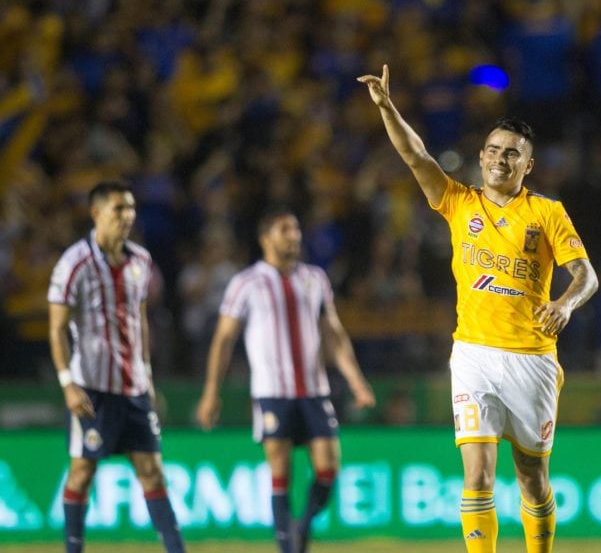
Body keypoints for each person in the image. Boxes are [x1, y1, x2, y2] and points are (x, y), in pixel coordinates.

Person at [358, 65, 599, 553]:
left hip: (531, 356)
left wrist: (566, 303)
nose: (500, 159)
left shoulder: (546, 212)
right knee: (478, 475)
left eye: (512, 153)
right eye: (493, 150)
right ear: (481, 156)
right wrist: (387, 108)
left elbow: (587, 275)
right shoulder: (458, 202)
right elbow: (415, 156)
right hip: (472, 354)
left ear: (527, 165)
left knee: (531, 476)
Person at [195, 206, 376, 553]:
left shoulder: (314, 278)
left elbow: (333, 332)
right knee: (281, 470)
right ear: (266, 238)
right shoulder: (245, 283)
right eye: (284, 230)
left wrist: (356, 380)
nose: (293, 235)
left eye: (295, 229)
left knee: (328, 468)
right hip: (271, 393)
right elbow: (223, 340)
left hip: (314, 390)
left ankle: (301, 527)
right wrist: (210, 393)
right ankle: (289, 548)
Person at [48, 180, 185, 553]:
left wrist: (149, 376)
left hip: (134, 387)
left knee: (152, 469)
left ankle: (177, 549)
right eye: (117, 210)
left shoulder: (140, 260)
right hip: (90, 387)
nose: (127, 217)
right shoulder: (74, 263)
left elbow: (138, 318)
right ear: (96, 214)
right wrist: (67, 384)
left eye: (130, 209)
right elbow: (57, 328)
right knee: (82, 472)